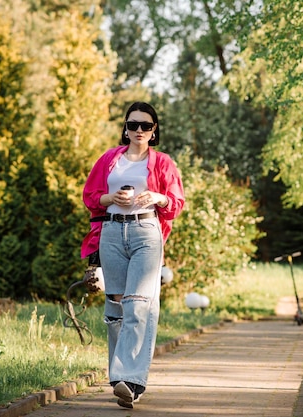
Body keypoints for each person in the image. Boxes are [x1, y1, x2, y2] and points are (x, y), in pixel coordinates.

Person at [81, 101, 185, 408]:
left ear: (154, 131)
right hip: (112, 232)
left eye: (146, 125)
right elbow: (90, 198)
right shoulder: (109, 159)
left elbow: (176, 203)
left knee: (138, 304)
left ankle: (131, 379)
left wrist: (158, 197)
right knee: (115, 308)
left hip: (145, 233)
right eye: (133, 125)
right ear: (125, 129)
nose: (139, 130)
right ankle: (121, 381)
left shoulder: (163, 163)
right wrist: (111, 197)